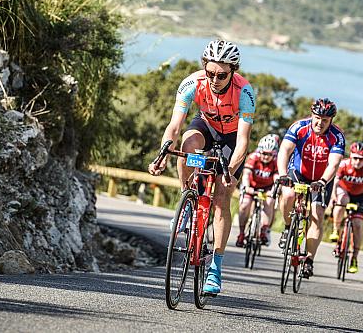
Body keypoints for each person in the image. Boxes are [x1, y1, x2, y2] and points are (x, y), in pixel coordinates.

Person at [148, 39, 256, 295]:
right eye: (210, 73)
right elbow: (174, 126)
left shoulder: (245, 92)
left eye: (221, 75)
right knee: (187, 145)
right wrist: (163, 152)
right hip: (205, 127)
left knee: (221, 199)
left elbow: (243, 141)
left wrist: (229, 170)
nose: (215, 79)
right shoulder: (192, 83)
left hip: (230, 138)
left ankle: (216, 268)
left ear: (233, 72)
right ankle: (188, 195)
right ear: (204, 67)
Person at [276, 98, 345, 279]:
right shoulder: (299, 127)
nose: (319, 123)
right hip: (298, 171)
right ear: (311, 115)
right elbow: (284, 151)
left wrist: (322, 182)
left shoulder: (336, 136)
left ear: (331, 121)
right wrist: (283, 175)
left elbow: (334, 163)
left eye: (324, 120)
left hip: (322, 179)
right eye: (317, 118)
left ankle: (309, 259)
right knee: (288, 195)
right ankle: (287, 226)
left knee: (317, 214)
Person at [329, 141, 363, 273]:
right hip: (344, 191)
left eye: (361, 159)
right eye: (355, 158)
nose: (357, 162)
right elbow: (335, 182)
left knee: (357, 225)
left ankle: (354, 258)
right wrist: (332, 197)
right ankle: (335, 230)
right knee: (342, 200)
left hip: (360, 197)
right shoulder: (344, 164)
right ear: (350, 156)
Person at [236, 134, 279, 247]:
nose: (266, 156)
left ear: (273, 154)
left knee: (269, 202)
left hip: (267, 188)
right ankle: (241, 233)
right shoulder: (253, 157)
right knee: (245, 205)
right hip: (251, 186)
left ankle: (264, 230)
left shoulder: (275, 161)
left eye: (269, 154)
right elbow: (246, 174)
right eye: (264, 153)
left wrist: (274, 190)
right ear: (260, 151)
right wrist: (246, 187)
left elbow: (276, 179)